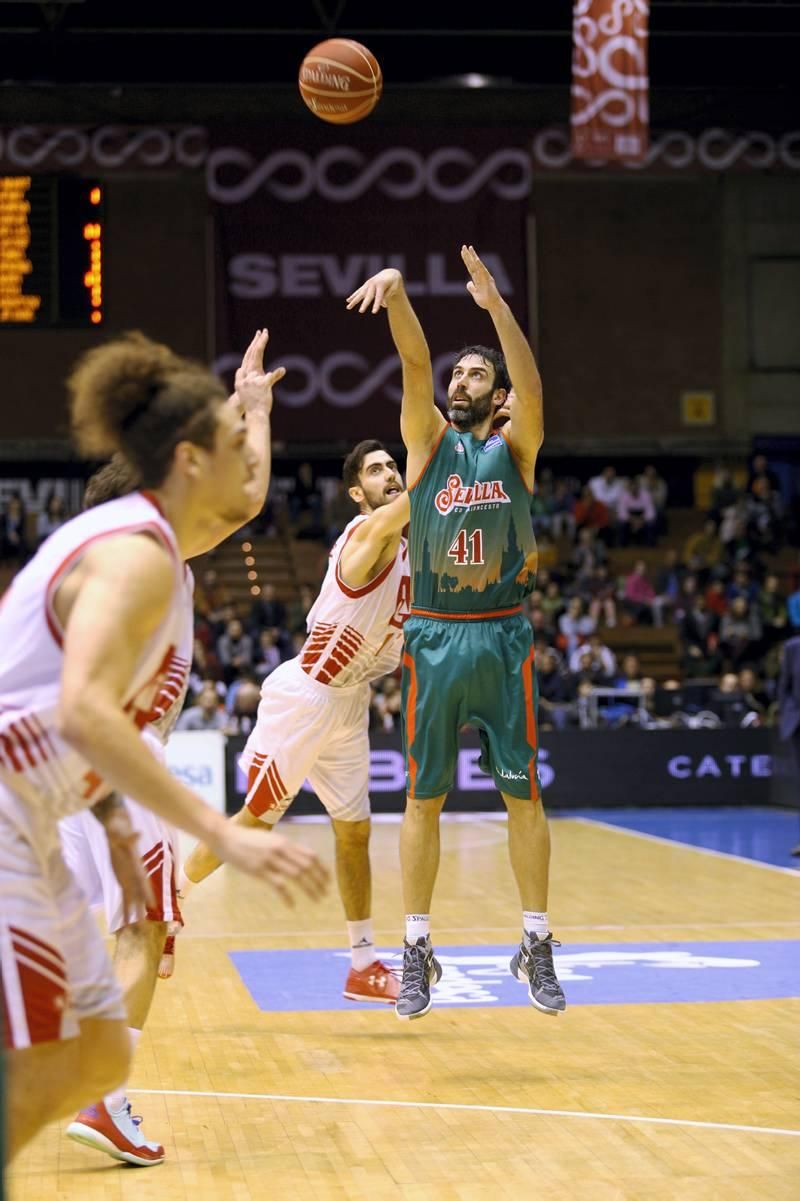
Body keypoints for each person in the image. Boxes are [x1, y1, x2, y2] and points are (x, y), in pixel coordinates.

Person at [0, 330, 329, 1165]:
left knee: (66, 1021)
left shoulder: (148, 543)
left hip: (50, 778)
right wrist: (219, 831)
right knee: (139, 933)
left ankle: (100, 1090)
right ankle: (107, 1102)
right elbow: (84, 710)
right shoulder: (139, 557)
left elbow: (249, 499)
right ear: (185, 465)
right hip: (63, 774)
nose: (240, 471)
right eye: (226, 448)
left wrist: (254, 407)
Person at [347, 246, 565, 1021]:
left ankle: (535, 939)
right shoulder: (427, 446)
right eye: (459, 374)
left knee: (524, 795)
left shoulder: (517, 448)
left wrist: (496, 310)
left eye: (476, 375)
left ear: (497, 395)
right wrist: (401, 295)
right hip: (436, 638)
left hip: (502, 636)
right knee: (422, 797)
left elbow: (533, 386)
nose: (460, 382)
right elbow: (412, 362)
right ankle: (416, 948)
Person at [181, 440, 412, 1005]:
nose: (391, 475)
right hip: (307, 697)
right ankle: (169, 900)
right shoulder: (367, 535)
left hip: (350, 702)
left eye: (394, 466)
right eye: (377, 470)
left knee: (355, 831)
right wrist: (466, 447)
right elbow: (421, 498)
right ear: (358, 494)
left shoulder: (411, 550)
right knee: (254, 822)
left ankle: (362, 966)